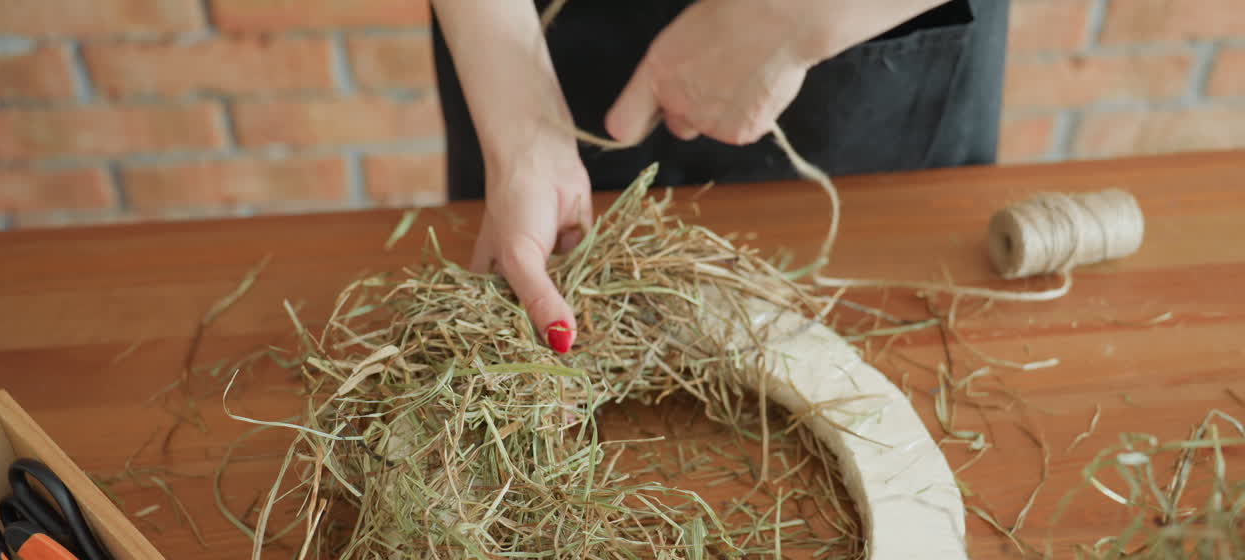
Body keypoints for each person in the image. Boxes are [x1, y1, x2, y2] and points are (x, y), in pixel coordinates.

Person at [430, 0, 1009, 353]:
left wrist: (796, 16)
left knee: (888, 339)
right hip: (527, 46)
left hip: (866, 31)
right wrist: (521, 139)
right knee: (536, 277)